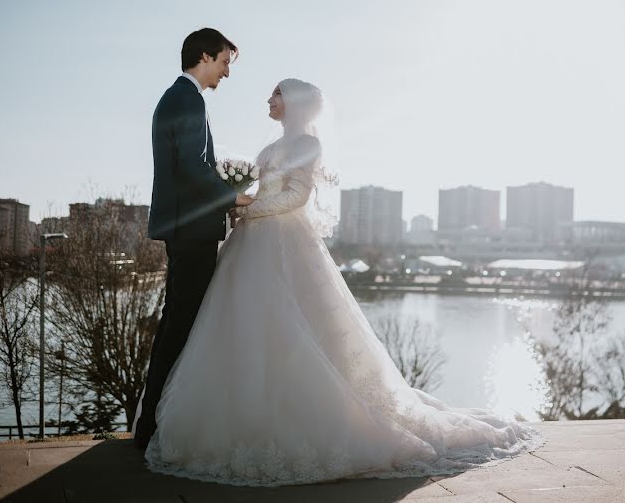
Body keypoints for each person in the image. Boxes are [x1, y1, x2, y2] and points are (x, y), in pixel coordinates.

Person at [143, 78, 540, 486]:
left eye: (277, 93)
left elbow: (296, 196)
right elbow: (262, 190)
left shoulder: (306, 146)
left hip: (282, 242)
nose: (269, 99)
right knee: (240, 326)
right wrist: (241, 202)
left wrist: (250, 210)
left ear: (294, 103)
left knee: (294, 325)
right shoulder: (270, 147)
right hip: (251, 244)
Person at [134, 28, 253, 449]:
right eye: (224, 62)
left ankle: (152, 419)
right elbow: (191, 167)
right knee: (181, 323)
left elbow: (193, 164)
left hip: (185, 225)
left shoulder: (179, 97)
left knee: (176, 321)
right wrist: (234, 198)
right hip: (191, 229)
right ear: (204, 57)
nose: (226, 72)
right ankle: (152, 424)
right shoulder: (186, 98)